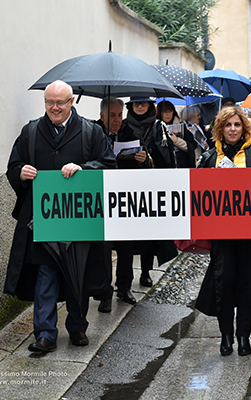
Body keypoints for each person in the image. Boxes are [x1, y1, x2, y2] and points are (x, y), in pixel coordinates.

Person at [5, 80, 116, 352]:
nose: (54, 107)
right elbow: (13, 165)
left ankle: (77, 328)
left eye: (60, 102)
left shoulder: (91, 132)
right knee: (46, 275)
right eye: (49, 102)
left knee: (77, 275)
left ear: (72, 102)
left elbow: (108, 166)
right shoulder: (30, 131)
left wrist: (83, 168)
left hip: (78, 220)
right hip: (43, 221)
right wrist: (20, 172)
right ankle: (45, 333)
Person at [195, 107, 251, 356]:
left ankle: (243, 336)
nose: (233, 129)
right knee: (223, 284)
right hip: (221, 235)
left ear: (244, 127)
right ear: (220, 129)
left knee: (247, 283)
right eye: (228, 125)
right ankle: (226, 336)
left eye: (236, 125)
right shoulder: (209, 157)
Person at [123, 97, 178, 305]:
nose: (139, 106)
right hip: (128, 188)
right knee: (127, 239)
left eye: (143, 103)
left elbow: (168, 158)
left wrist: (149, 155)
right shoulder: (125, 126)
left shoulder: (158, 127)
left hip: (151, 187)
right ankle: (124, 284)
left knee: (148, 235)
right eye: (136, 103)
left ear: (149, 106)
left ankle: (145, 271)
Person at [97, 97, 150, 310]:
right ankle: (104, 292)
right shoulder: (93, 133)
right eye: (112, 115)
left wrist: (142, 159)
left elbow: (145, 168)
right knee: (103, 248)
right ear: (102, 116)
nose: (117, 120)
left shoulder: (130, 133)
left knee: (126, 246)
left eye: (119, 115)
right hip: (102, 198)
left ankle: (124, 287)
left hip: (125, 198)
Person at [157, 100, 198, 168]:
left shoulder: (182, 126)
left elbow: (192, 146)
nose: (168, 114)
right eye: (165, 111)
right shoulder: (155, 128)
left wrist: (177, 141)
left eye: (170, 111)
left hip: (181, 165)